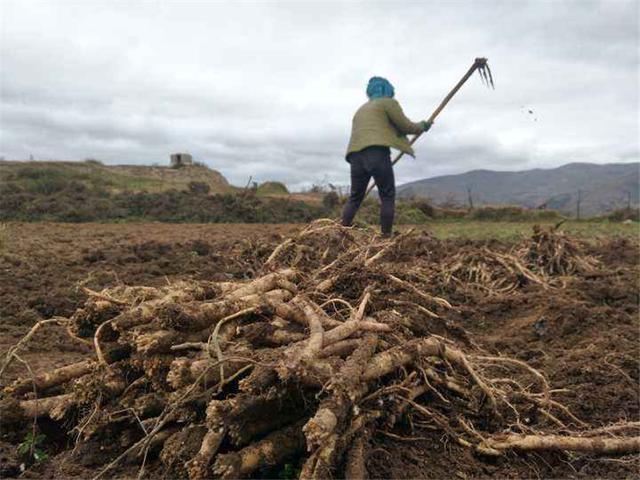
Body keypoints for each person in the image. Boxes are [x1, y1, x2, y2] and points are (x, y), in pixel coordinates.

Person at [341, 76, 432, 237]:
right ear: (387, 89)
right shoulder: (388, 103)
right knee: (387, 195)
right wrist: (422, 126)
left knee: (355, 197)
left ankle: (338, 233)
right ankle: (385, 237)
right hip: (376, 152)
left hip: (355, 156)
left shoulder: (361, 110)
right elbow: (404, 125)